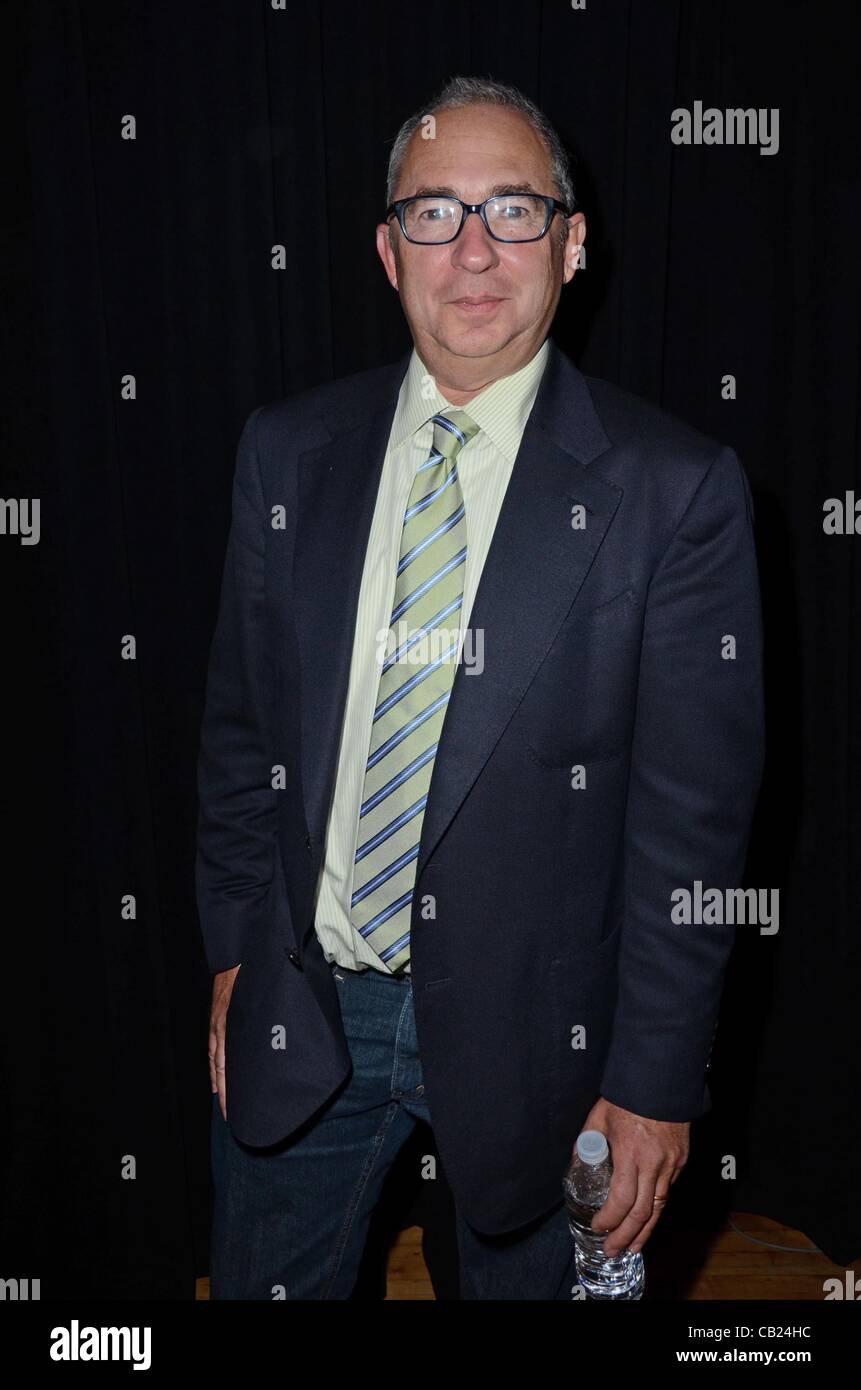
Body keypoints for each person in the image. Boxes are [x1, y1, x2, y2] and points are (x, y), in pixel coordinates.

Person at [197, 76, 765, 1300]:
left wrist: (655, 1082)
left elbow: (693, 831)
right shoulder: (284, 452)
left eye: (512, 210)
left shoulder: (677, 492)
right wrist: (239, 952)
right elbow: (243, 740)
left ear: (571, 243)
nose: (472, 249)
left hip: (547, 1052)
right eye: (434, 212)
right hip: (310, 1012)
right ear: (387, 248)